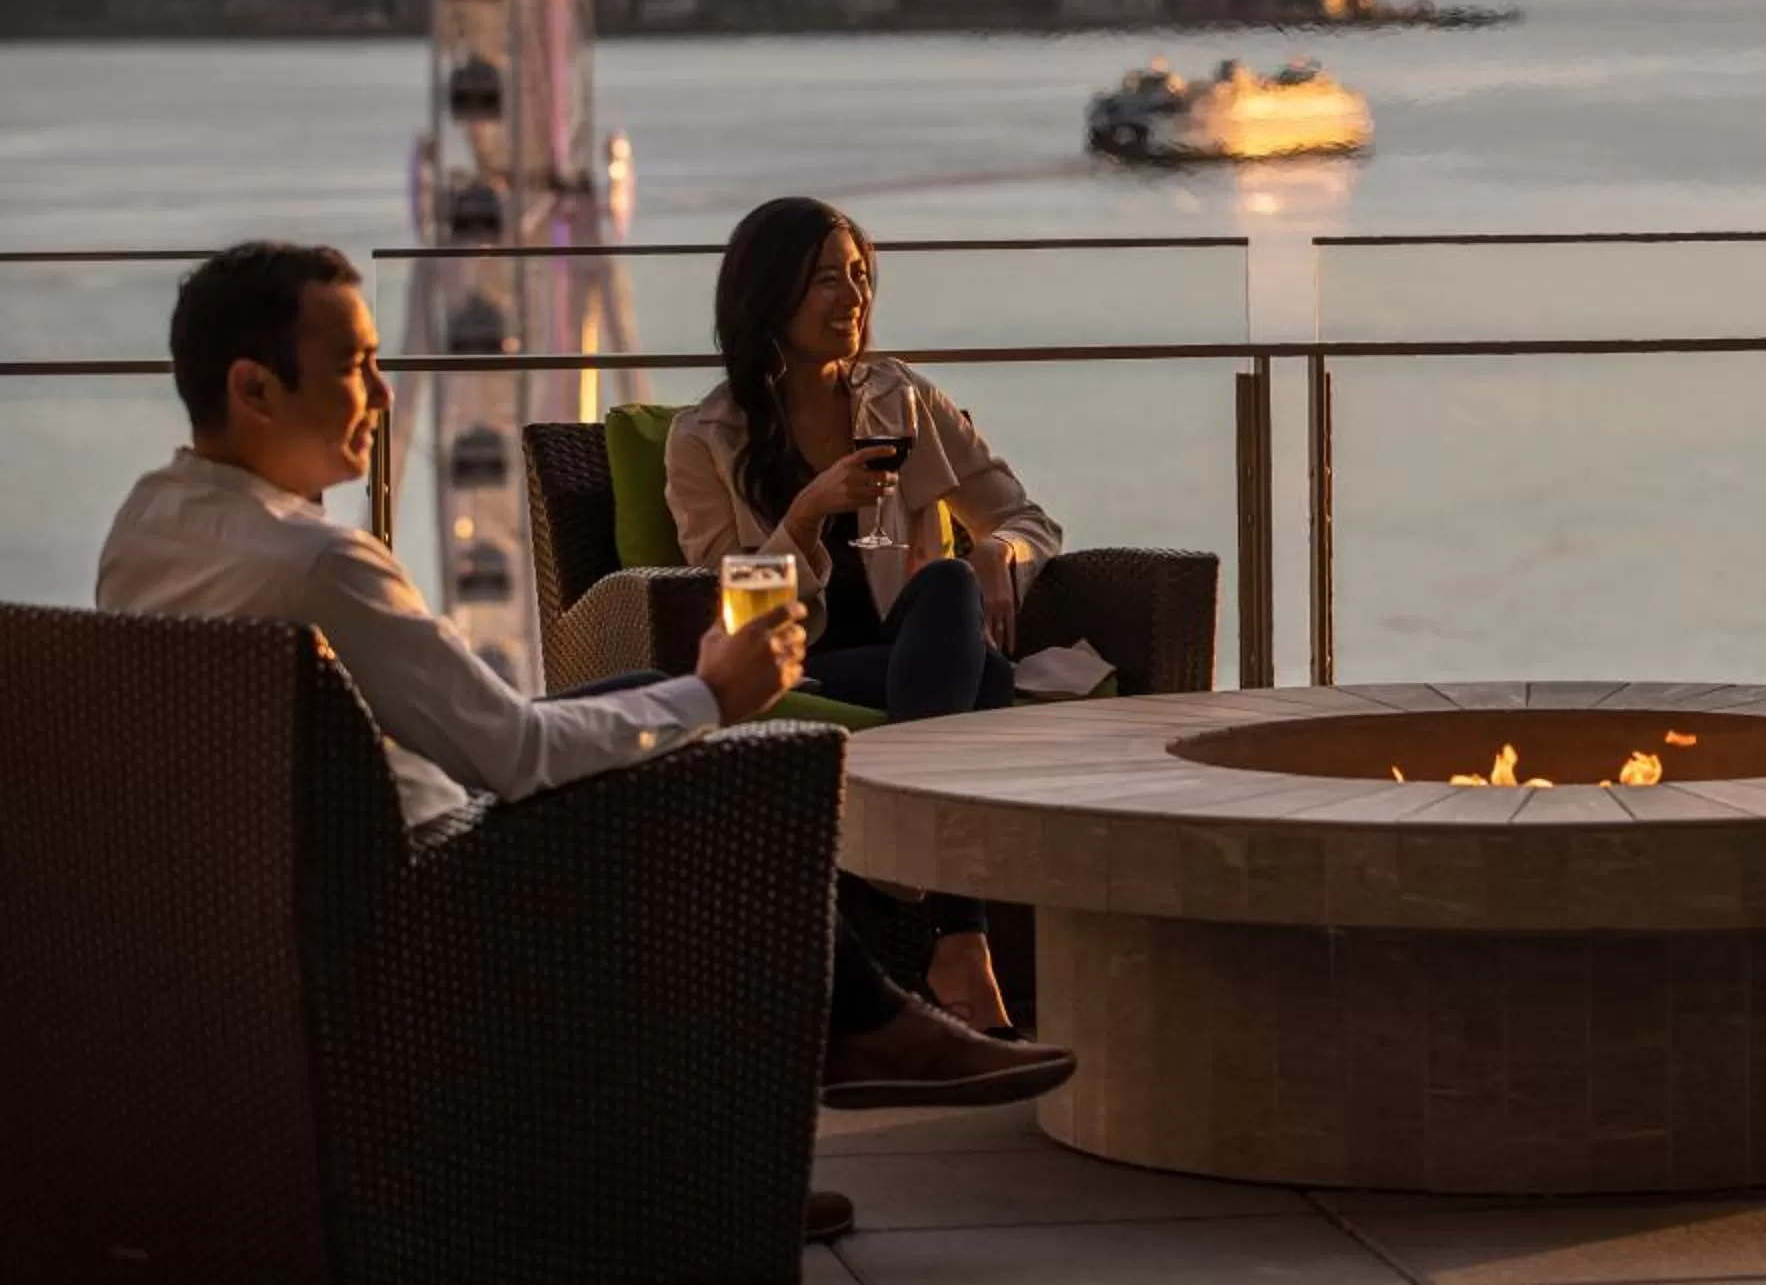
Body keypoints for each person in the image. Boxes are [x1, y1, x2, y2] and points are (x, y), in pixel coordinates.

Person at [97, 245, 1077, 1246]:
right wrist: (713, 691)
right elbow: (515, 756)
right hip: (428, 896)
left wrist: (681, 693)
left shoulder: (147, 526)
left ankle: (861, 1037)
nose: (385, 393)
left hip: (298, 885)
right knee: (726, 772)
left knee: (634, 704)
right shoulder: (321, 563)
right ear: (255, 388)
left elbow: (489, 737)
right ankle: (843, 1063)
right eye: (356, 364)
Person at [666, 197, 1063, 1035]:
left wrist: (1000, 555)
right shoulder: (705, 438)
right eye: (824, 281)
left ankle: (922, 887)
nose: (851, 298)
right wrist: (805, 514)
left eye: (858, 276)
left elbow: (1030, 522)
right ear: (769, 295)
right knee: (982, 677)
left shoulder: (903, 400)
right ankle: (962, 940)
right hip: (804, 661)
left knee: (953, 587)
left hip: (919, 643)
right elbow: (727, 608)